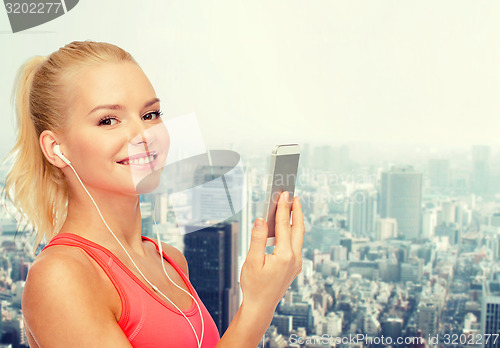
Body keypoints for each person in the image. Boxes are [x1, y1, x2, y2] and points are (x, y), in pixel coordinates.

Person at [3, 40, 304, 347]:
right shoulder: (60, 277)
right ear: (56, 148)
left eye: (150, 114)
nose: (144, 135)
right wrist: (258, 305)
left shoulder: (170, 262)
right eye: (108, 120)